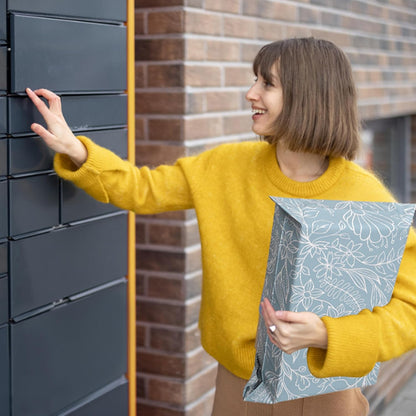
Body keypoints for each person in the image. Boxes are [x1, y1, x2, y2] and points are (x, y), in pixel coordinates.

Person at [26, 37, 416, 416]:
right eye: (254, 80)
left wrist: (328, 335)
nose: (251, 93)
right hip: (236, 389)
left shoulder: (365, 196)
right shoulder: (225, 166)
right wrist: (77, 149)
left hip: (326, 395)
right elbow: (142, 189)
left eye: (267, 83)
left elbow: (410, 310)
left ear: (308, 96)